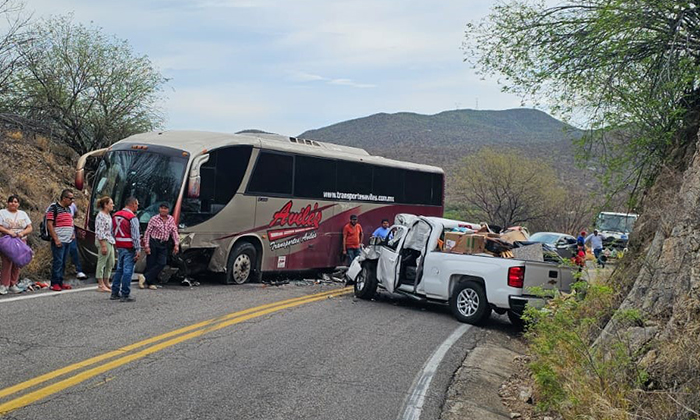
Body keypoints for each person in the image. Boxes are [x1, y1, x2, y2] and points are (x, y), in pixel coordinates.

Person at [0, 195, 33, 295]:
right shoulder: (2, 213)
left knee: (17, 263)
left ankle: (13, 284)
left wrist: (22, 233)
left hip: (20, 241)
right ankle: (3, 285)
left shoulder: (23, 214)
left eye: (15, 202)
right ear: (8, 203)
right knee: (7, 262)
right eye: (11, 202)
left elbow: (29, 227)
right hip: (7, 241)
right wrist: (9, 232)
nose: (13, 203)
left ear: (18, 204)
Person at [142, 203, 179, 290]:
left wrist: (176, 244)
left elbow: (174, 232)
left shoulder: (171, 219)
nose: (163, 210)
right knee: (151, 262)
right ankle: (150, 282)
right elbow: (147, 233)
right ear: (159, 209)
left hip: (164, 243)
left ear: (168, 210)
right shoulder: (154, 219)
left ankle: (144, 277)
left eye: (165, 208)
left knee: (162, 263)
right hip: (154, 242)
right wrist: (146, 246)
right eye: (162, 208)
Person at [111, 197, 141, 302]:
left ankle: (114, 292)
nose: (137, 207)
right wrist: (138, 249)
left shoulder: (115, 215)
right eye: (137, 204)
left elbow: (112, 231)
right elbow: (135, 236)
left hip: (119, 245)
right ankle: (125, 293)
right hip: (129, 246)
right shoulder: (132, 217)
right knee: (128, 271)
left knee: (119, 269)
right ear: (132, 204)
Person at [46, 189, 76, 291]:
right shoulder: (53, 208)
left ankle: (60, 281)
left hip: (68, 240)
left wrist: (72, 233)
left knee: (63, 262)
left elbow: (70, 222)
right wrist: (56, 238)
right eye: (71, 198)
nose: (72, 201)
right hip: (59, 239)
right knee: (58, 261)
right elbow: (49, 224)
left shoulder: (68, 209)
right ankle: (54, 283)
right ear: (64, 198)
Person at [94, 196, 115, 292]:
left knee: (111, 262)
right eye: (111, 203)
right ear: (106, 205)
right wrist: (103, 245)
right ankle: (100, 284)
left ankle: (107, 281)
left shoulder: (108, 215)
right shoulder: (100, 216)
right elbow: (99, 231)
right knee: (102, 262)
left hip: (110, 240)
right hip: (103, 240)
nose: (112, 205)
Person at [66, 201, 87, 280]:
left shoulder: (72, 206)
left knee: (74, 250)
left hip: (71, 232)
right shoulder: (55, 207)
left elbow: (75, 215)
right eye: (70, 198)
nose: (72, 201)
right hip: (61, 234)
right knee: (61, 254)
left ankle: (79, 270)